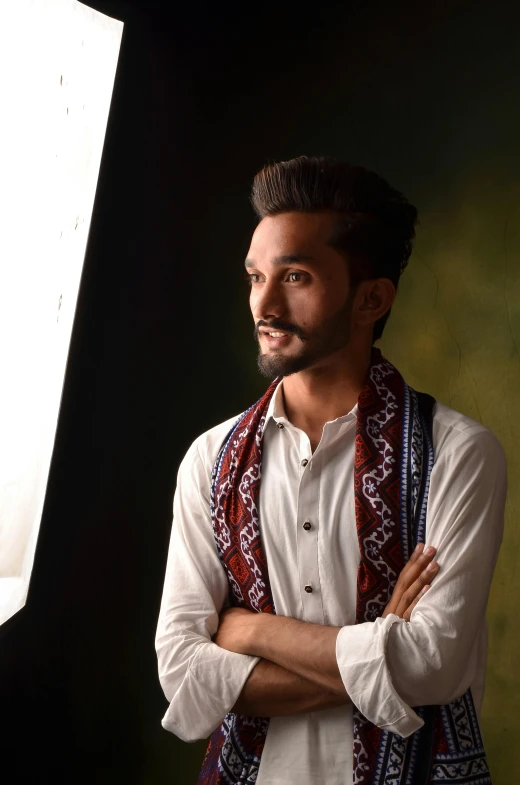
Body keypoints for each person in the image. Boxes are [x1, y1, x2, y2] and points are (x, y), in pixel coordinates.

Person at [155, 156, 506, 785]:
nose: (264, 302)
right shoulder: (210, 459)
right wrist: (378, 648)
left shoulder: (456, 453)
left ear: (371, 298)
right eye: (255, 276)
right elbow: (182, 670)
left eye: (295, 275)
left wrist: (250, 630)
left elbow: (433, 667)